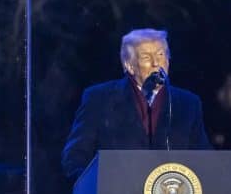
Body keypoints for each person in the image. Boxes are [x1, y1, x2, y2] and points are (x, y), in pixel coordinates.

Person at [61, 28, 211, 181]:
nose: (156, 63)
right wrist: (98, 187)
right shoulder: (99, 99)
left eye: (160, 55)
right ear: (129, 65)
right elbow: (75, 157)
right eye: (146, 57)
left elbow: (204, 161)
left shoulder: (188, 104)